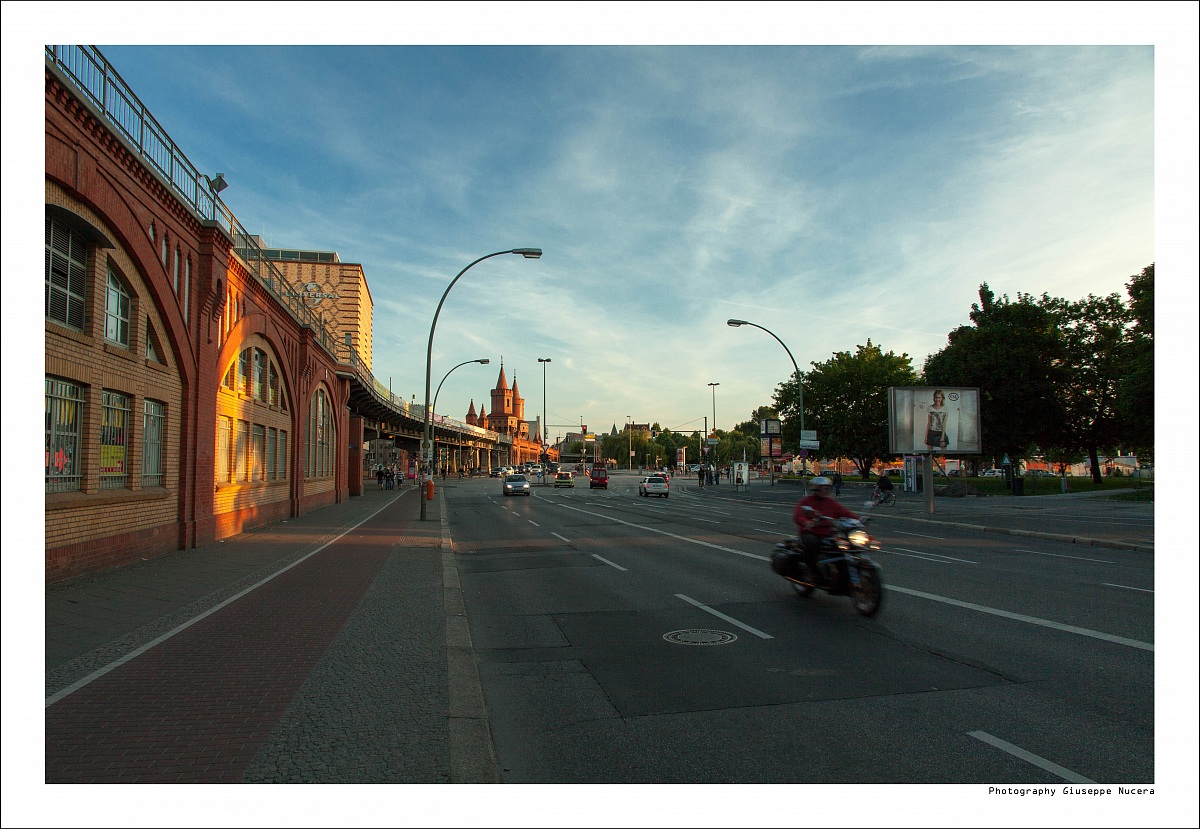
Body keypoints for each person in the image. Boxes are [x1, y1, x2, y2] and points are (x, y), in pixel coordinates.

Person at [792, 476, 860, 592]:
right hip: (811, 533)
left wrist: (859, 520)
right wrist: (806, 522)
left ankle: (841, 575)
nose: (824, 491)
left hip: (828, 534)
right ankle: (810, 572)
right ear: (815, 489)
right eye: (821, 488)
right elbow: (798, 515)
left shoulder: (831, 502)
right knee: (812, 544)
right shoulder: (807, 501)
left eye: (826, 488)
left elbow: (844, 512)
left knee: (844, 546)